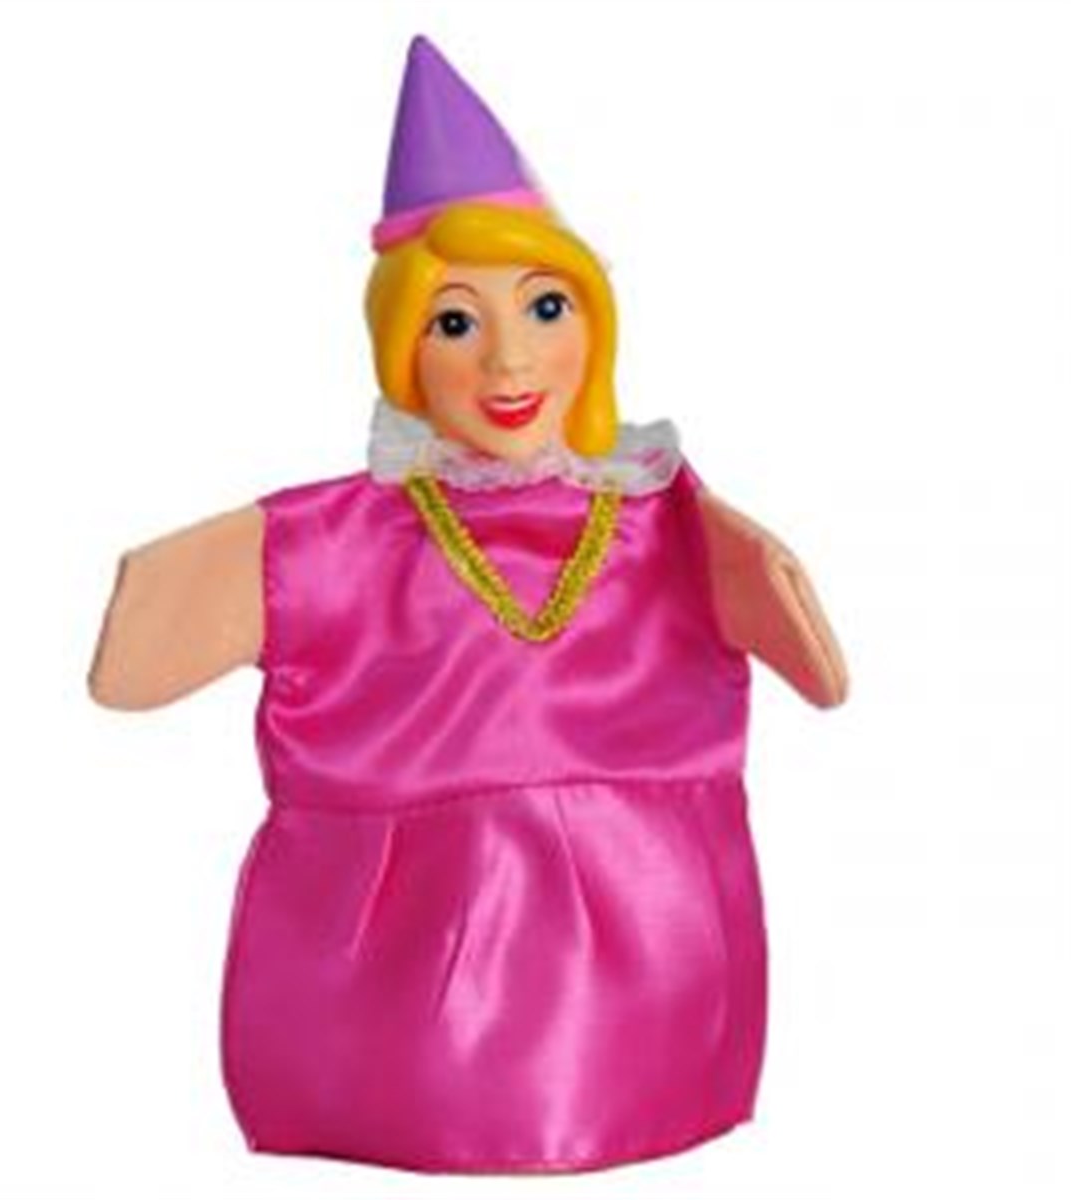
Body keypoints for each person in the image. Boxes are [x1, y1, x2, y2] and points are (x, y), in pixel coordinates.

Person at [89, 35, 847, 1174]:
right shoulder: (336, 540)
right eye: (455, 323)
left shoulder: (670, 524)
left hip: (650, 988)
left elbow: (820, 669)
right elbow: (133, 666)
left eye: (543, 308)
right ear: (405, 352)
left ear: (594, 327)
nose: (507, 364)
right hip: (396, 1006)